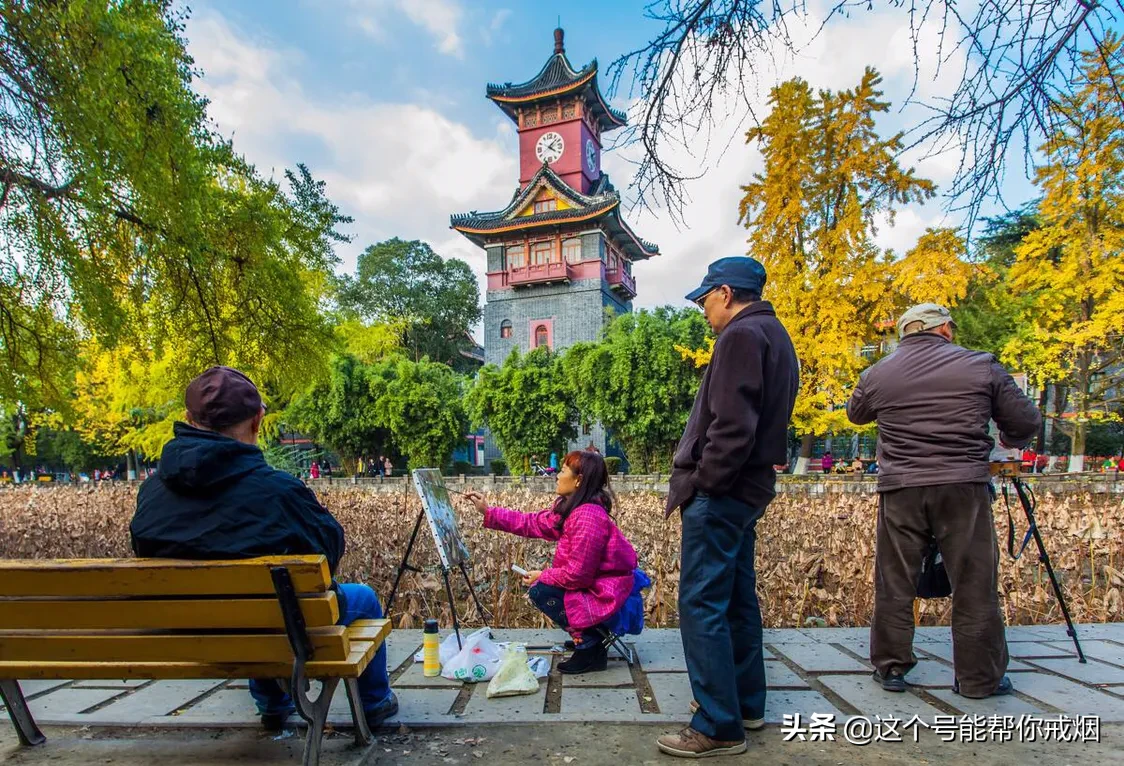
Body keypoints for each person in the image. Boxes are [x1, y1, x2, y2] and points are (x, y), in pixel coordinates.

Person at [129, 366, 398, 731]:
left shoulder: (152, 492)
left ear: (189, 419)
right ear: (258, 421)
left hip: (187, 632)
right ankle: (374, 704)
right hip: (270, 628)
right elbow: (328, 554)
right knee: (358, 599)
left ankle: (274, 703)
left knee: (263, 605)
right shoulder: (278, 491)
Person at [846, 303, 1041, 700]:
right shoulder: (981, 365)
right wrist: (1007, 442)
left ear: (903, 334)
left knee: (894, 578)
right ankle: (978, 679)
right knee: (973, 580)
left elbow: (855, 414)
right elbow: (1025, 421)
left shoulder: (878, 371)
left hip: (900, 487)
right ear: (946, 330)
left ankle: (892, 667)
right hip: (962, 486)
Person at [657, 256, 799, 758]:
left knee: (700, 603)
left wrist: (704, 483)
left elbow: (732, 427)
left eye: (703, 299)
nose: (702, 310)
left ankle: (717, 724)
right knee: (737, 597)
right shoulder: (775, 335)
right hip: (749, 490)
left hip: (724, 492)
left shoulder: (739, 336)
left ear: (724, 293)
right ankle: (746, 704)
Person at [464, 450, 637, 675]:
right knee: (545, 587)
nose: (556, 475)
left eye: (563, 470)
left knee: (541, 591)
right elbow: (533, 523)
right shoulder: (573, 509)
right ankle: (589, 637)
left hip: (604, 591)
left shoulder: (587, 517)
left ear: (578, 480)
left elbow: (578, 575)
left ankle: (589, 645)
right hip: (595, 585)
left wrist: (542, 575)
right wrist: (489, 512)